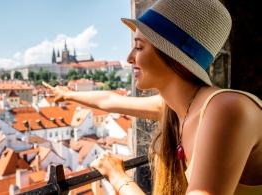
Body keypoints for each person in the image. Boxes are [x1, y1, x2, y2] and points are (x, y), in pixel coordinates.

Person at [42, 0, 262, 194]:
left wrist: (118, 177)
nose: (129, 58)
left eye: (138, 47)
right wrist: (67, 94)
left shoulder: (227, 109)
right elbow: (109, 101)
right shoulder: (178, 108)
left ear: (173, 55)